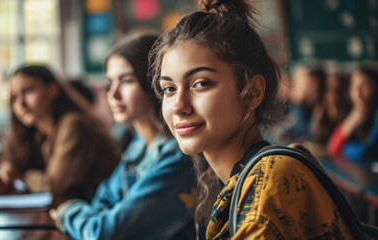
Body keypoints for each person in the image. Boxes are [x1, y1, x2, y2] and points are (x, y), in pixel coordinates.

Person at [149, 0, 356, 238]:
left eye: (201, 84)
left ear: (253, 92)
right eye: (169, 89)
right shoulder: (245, 178)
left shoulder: (272, 180)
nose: (179, 106)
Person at [50, 32, 197, 240]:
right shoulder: (138, 145)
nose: (113, 94)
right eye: (110, 82)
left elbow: (107, 234)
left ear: (156, 83)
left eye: (127, 81)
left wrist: (68, 211)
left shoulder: (177, 155)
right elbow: (102, 200)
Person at [0, 65, 119, 202]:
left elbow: (55, 187)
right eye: (14, 97)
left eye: (28, 91)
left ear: (52, 89)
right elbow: (11, 159)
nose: (20, 103)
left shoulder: (73, 125)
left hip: (99, 215)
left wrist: (21, 176)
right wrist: (8, 170)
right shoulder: (39, 134)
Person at [328, 62, 378, 162]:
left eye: (364, 85)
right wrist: (351, 122)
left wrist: (345, 148)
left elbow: (366, 152)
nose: (357, 92)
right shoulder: (356, 114)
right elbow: (332, 148)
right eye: (353, 85)